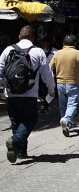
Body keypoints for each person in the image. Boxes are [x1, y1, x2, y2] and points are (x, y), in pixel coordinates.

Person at [0, 26, 56, 162]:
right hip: (29, 94)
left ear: (19, 37)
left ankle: (20, 152)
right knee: (30, 120)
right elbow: (47, 74)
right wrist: (51, 89)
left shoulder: (8, 50)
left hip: (10, 94)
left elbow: (0, 71)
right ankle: (15, 140)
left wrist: (5, 86)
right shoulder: (38, 52)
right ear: (33, 38)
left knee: (16, 121)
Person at [50, 34, 79, 137]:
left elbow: (50, 67)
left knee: (63, 105)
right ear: (74, 44)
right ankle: (66, 120)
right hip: (73, 83)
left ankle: (66, 125)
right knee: (72, 104)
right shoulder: (77, 53)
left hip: (60, 83)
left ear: (63, 44)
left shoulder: (57, 53)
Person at [38, 39, 57, 113]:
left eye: (45, 43)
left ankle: (46, 105)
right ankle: (46, 100)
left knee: (48, 89)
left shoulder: (55, 52)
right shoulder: (42, 51)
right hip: (41, 71)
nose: (44, 44)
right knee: (40, 91)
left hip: (50, 71)